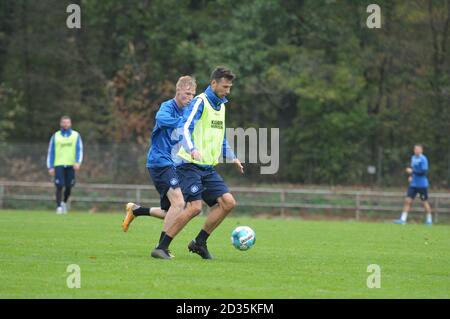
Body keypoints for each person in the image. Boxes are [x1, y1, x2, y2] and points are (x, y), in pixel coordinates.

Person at [153, 66, 244, 260]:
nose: (228, 91)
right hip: (188, 165)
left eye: (230, 87)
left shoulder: (222, 106)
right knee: (194, 207)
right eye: (225, 86)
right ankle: (161, 247)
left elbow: (221, 137)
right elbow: (186, 126)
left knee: (228, 203)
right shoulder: (199, 102)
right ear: (213, 83)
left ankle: (199, 242)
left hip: (207, 168)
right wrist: (192, 147)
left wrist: (232, 156)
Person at [122, 76, 197, 257]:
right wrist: (183, 124)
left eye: (193, 95)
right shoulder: (168, 107)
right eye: (187, 94)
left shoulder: (188, 112)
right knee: (179, 203)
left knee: (170, 211)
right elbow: (161, 119)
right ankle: (161, 247)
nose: (190, 98)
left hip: (173, 163)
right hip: (159, 161)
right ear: (178, 92)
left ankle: (136, 210)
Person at [46, 115, 83, 214]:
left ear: (70, 123)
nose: (65, 124)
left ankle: (64, 203)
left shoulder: (76, 135)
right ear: (60, 123)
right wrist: (50, 166)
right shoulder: (55, 136)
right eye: (64, 122)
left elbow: (79, 150)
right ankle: (58, 207)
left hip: (71, 165)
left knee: (69, 186)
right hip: (59, 164)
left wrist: (78, 162)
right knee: (59, 185)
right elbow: (51, 152)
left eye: (67, 122)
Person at [394, 144, 432, 225]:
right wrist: (411, 176)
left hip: (422, 185)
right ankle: (403, 219)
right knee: (407, 201)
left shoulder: (423, 159)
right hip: (413, 185)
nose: (416, 151)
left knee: (424, 202)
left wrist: (412, 172)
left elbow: (423, 172)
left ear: (421, 150)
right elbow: (413, 169)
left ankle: (429, 220)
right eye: (415, 149)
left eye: (418, 149)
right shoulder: (413, 158)